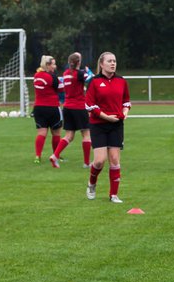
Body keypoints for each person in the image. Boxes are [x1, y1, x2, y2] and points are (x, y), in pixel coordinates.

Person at [85, 51, 130, 203]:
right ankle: (92, 183)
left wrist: (124, 113)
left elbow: (126, 102)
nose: (113, 64)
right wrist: (105, 116)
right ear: (102, 64)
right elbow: (89, 105)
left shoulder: (121, 81)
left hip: (116, 125)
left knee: (115, 159)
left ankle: (113, 195)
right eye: (109, 61)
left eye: (115, 61)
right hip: (98, 124)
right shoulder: (94, 81)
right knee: (99, 161)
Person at [50, 52, 91, 168]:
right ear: (78, 62)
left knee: (69, 136)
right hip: (79, 107)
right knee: (86, 135)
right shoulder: (80, 74)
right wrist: (89, 71)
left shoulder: (66, 73)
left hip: (67, 107)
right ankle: (86, 163)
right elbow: (91, 80)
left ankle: (55, 156)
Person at [31, 55, 63, 166]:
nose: (55, 66)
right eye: (53, 64)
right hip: (52, 107)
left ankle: (37, 156)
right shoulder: (52, 77)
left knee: (41, 133)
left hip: (38, 108)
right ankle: (56, 155)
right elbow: (60, 89)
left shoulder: (36, 75)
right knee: (56, 133)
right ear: (48, 65)